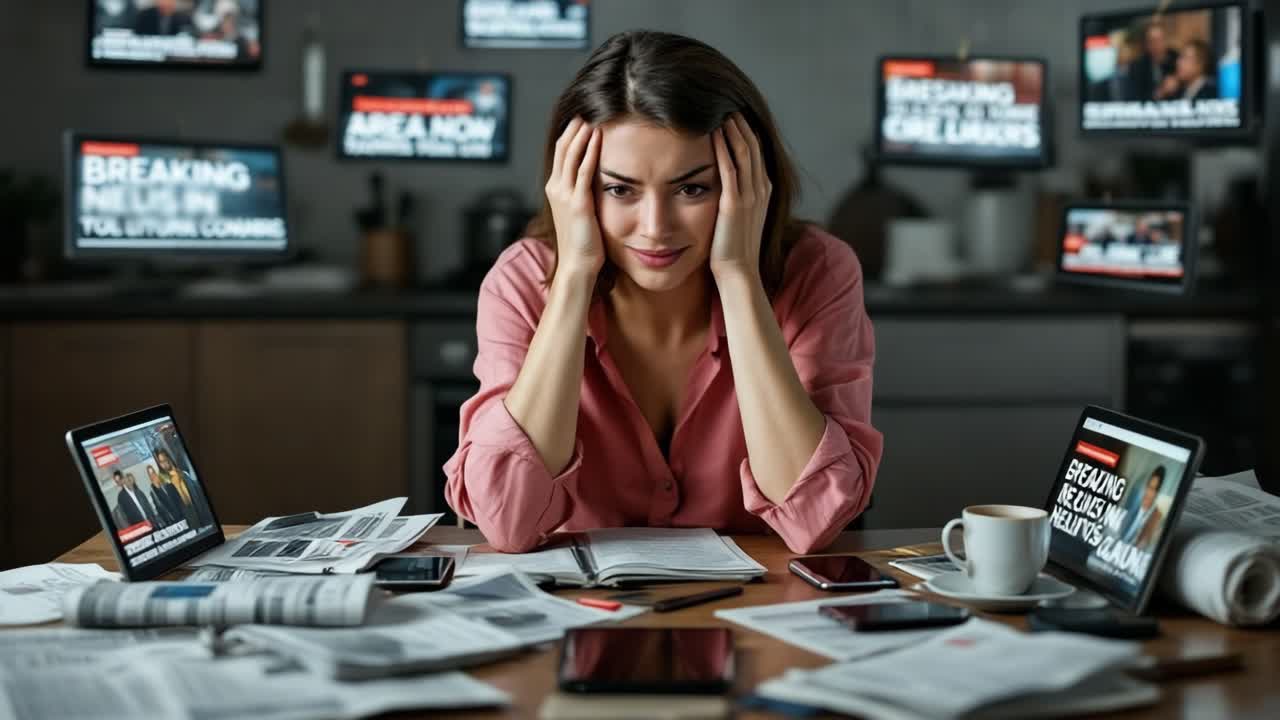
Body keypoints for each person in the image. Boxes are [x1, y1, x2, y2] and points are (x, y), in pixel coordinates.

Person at [444, 30, 883, 554]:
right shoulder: (522, 281)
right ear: (575, 191)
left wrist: (739, 274)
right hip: (581, 617)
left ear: (746, 183)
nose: (655, 227)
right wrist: (576, 272)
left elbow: (815, 519)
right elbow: (508, 520)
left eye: (692, 188)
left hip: (758, 615)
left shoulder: (818, 271)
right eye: (619, 189)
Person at [154, 447, 211, 530]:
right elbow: (173, 505)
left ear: (169, 458)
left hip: (201, 510)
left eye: (165, 460)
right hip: (189, 516)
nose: (164, 463)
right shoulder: (166, 482)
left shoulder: (183, 472)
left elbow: (197, 491)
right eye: (161, 462)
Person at [1128, 20, 1178, 101]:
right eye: (1152, 41)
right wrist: (1161, 92)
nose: (1156, 45)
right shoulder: (1138, 66)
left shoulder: (1177, 60)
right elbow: (1135, 99)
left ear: (1166, 40)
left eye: (1160, 40)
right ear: (1146, 44)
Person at [1120, 466, 1167, 550]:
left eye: (1153, 489)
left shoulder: (1155, 522)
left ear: (1157, 493)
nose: (1148, 492)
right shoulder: (1129, 507)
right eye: (1148, 487)